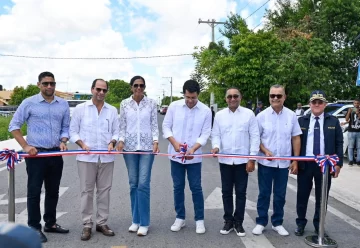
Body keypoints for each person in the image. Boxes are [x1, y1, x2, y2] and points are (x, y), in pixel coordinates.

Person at [8, 71, 70, 243]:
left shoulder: (63, 104)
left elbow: (66, 127)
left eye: (52, 83)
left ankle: (50, 223)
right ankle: (34, 227)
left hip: (55, 153)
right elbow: (14, 126)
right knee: (34, 192)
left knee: (53, 191)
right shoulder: (29, 103)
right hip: (36, 155)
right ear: (39, 84)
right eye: (45, 83)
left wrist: (64, 140)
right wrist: (26, 146)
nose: (49, 86)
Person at [69, 79, 119, 241]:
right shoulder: (80, 109)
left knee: (104, 192)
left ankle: (102, 222)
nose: (101, 92)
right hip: (86, 157)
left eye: (104, 90)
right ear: (92, 89)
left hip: (106, 158)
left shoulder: (112, 111)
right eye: (98, 89)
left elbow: (116, 132)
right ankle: (87, 224)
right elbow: (73, 132)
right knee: (86, 191)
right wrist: (81, 143)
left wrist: (112, 142)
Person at [162, 80, 211, 234]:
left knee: (196, 187)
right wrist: (175, 144)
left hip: (194, 157)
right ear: (183, 94)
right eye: (188, 97)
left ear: (198, 95)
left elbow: (205, 133)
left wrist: (194, 149)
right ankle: (180, 218)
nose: (190, 101)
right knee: (178, 187)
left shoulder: (205, 111)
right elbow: (166, 126)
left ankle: (199, 219)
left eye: (193, 98)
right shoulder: (174, 107)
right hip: (176, 155)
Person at [252, 84, 301, 236]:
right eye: (272, 95)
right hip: (266, 163)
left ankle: (277, 222)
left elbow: (296, 138)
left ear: (284, 97)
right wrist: (265, 150)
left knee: (280, 194)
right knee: (264, 193)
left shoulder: (292, 116)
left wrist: (295, 160)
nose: (275, 98)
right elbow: (256, 138)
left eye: (278, 96)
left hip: (283, 163)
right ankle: (261, 222)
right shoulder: (261, 116)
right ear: (269, 97)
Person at [211, 87, 260, 237]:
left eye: (235, 96)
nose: (233, 99)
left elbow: (255, 137)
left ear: (240, 97)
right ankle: (228, 221)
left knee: (241, 193)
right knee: (226, 192)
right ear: (226, 99)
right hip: (225, 160)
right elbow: (216, 135)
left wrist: (252, 159)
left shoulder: (249, 114)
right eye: (230, 97)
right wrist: (216, 147)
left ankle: (239, 222)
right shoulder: (219, 116)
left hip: (242, 161)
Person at [295, 90, 343, 236]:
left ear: (325, 104)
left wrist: (338, 163)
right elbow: (295, 142)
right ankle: (300, 224)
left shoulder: (333, 121)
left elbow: (339, 143)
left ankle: (318, 225)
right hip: (306, 164)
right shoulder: (301, 121)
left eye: (320, 102)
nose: (316, 104)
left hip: (325, 165)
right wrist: (295, 161)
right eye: (314, 102)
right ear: (309, 104)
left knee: (322, 198)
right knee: (302, 196)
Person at [117, 76, 159, 236]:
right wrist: (121, 141)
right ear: (131, 87)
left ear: (145, 87)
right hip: (129, 148)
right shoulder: (124, 104)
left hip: (147, 148)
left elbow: (154, 124)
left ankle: (144, 222)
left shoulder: (151, 103)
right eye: (136, 85)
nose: (139, 88)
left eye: (141, 85)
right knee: (133, 184)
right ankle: (135, 220)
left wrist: (155, 140)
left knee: (143, 184)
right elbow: (122, 126)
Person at [341, 99, 360, 166]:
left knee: (359, 147)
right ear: (353, 104)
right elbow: (347, 119)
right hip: (351, 131)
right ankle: (351, 160)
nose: (356, 104)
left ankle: (358, 160)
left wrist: (358, 114)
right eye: (355, 103)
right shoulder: (351, 110)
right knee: (350, 146)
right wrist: (349, 112)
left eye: (357, 103)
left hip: (359, 131)